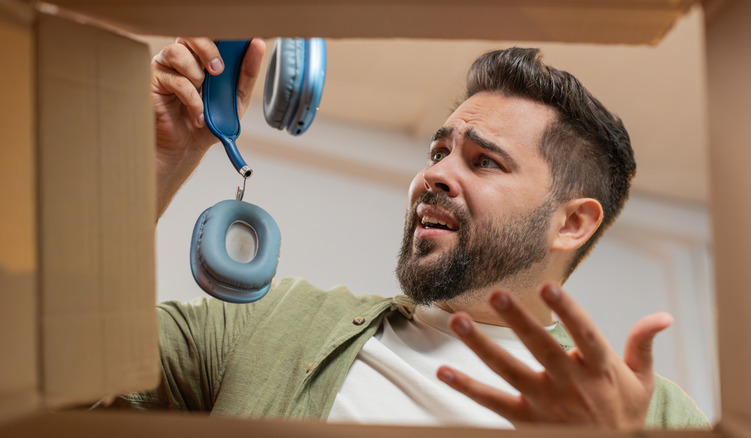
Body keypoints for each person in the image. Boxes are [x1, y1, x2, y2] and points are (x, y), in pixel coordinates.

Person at [114, 37, 708, 430]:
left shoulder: (653, 416)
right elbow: (70, 374)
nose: (434, 175)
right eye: (438, 151)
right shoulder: (266, 327)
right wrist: (150, 160)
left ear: (572, 223)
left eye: (484, 162)